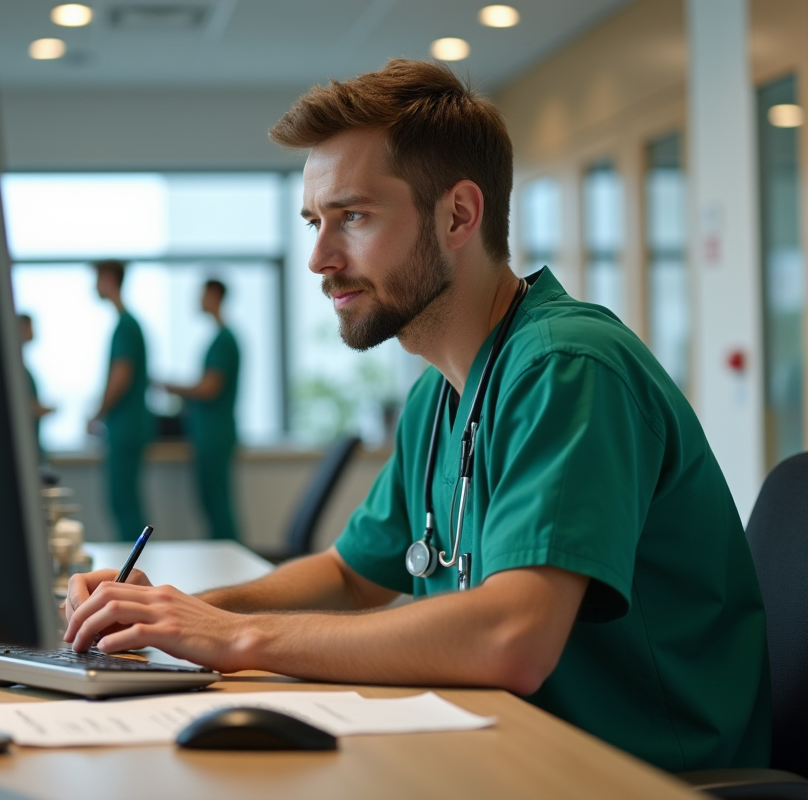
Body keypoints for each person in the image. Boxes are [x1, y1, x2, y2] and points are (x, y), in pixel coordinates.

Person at [62, 61, 770, 772]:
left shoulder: (567, 367)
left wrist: (238, 638)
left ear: (459, 215)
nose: (318, 258)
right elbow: (350, 575)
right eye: (315, 222)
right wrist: (177, 615)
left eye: (354, 216)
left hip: (633, 772)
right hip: (498, 745)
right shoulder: (439, 395)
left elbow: (512, 638)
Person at [159, 279, 241, 541]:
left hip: (214, 433)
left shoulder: (224, 341)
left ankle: (230, 561)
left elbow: (209, 388)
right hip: (208, 432)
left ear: (215, 295)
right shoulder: (219, 339)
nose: (198, 300)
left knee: (217, 503)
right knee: (210, 502)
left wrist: (174, 387)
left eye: (203, 294)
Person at [88, 260, 154, 541]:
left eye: (97, 279)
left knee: (122, 501)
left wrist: (97, 413)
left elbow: (121, 377)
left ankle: (131, 574)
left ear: (109, 280)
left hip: (125, 427)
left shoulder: (126, 326)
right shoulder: (128, 324)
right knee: (126, 499)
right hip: (129, 425)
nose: (93, 287)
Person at [17, 313, 54, 461]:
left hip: (33, 447)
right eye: (28, 327)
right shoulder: (16, 371)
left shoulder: (24, 370)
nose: (32, 331)